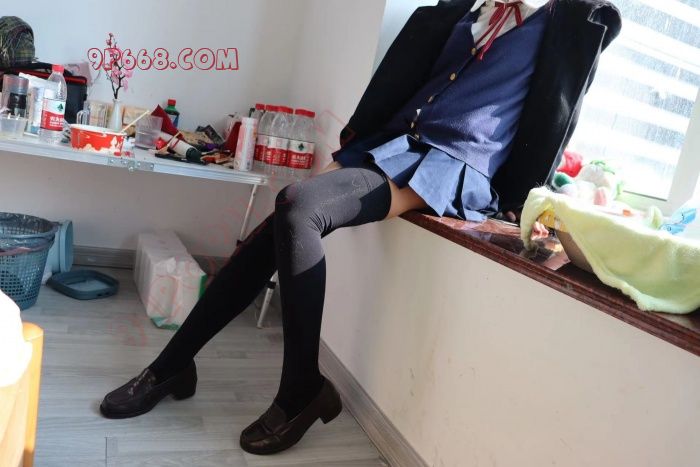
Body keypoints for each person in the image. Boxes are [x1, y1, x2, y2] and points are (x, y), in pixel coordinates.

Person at [100, 0, 621, 456]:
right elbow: (406, 80)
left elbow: (557, 114)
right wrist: (354, 144)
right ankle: (176, 364)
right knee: (282, 221)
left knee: (298, 206)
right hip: (394, 146)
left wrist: (527, 203)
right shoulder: (467, 8)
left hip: (456, 164)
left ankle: (292, 388)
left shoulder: (570, 21)